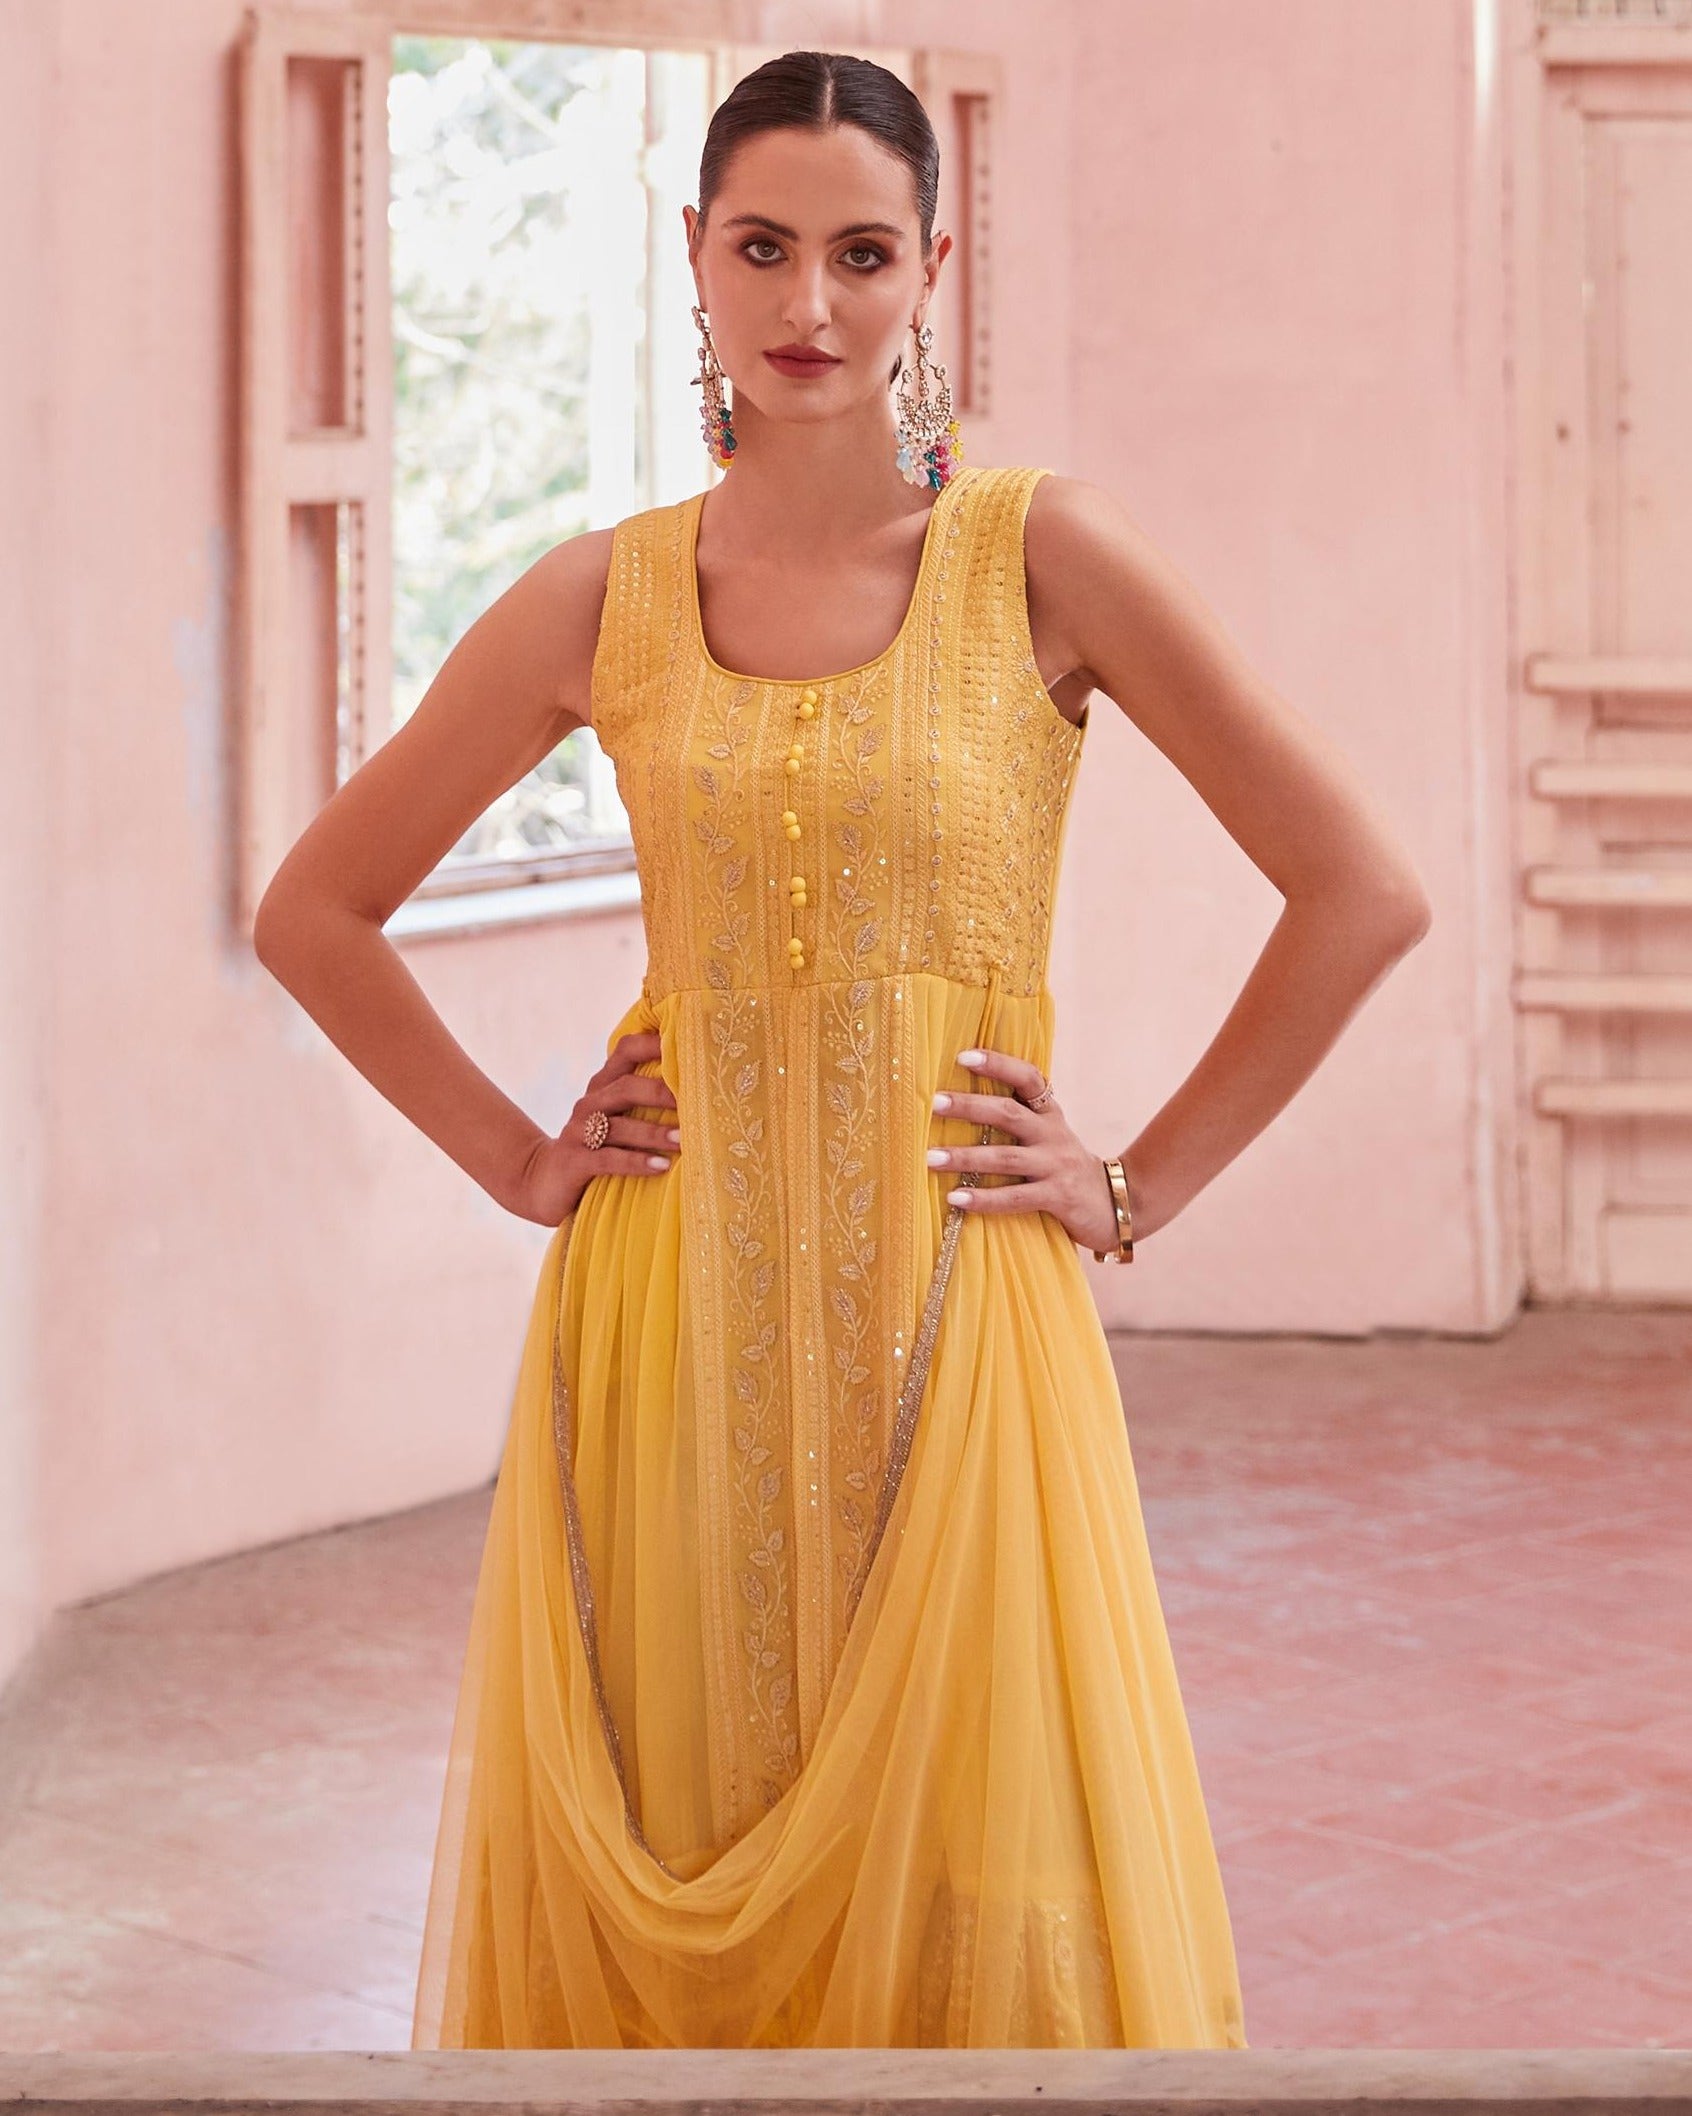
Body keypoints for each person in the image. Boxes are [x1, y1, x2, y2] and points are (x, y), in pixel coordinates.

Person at [254, 48, 1429, 2050]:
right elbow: (314, 908)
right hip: (667, 1321)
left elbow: (1358, 890)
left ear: (932, 267)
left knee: (991, 1857)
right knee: (685, 1793)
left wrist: (1134, 1181)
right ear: (695, 261)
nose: (810, 305)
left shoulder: (1042, 559)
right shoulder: (601, 592)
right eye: (765, 248)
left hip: (959, 1309)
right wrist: (519, 1159)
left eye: (861, 252)